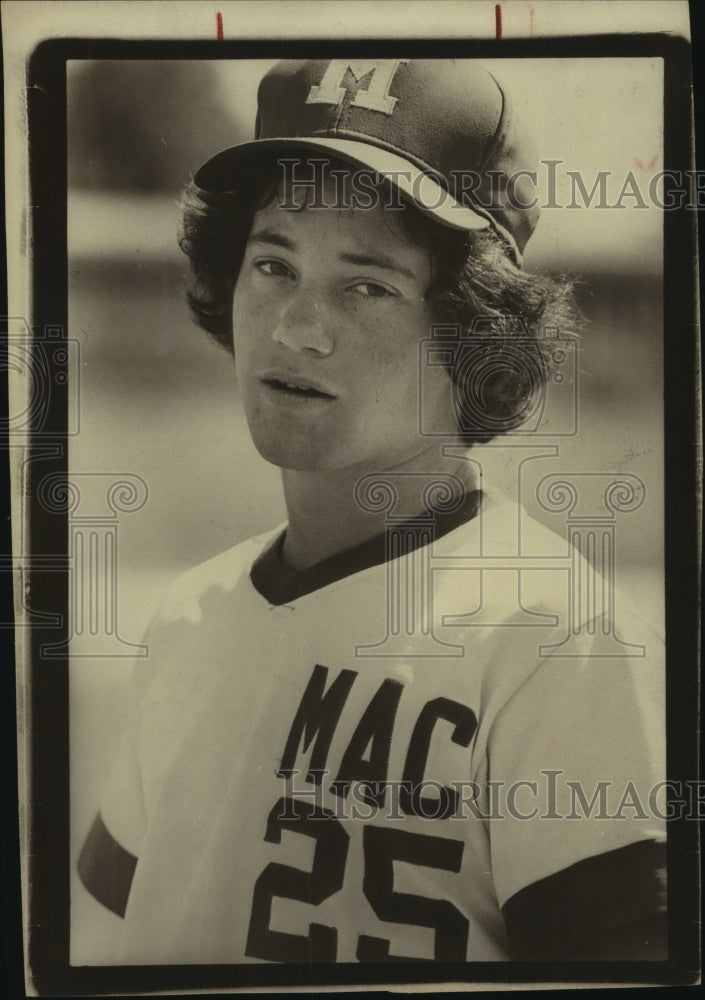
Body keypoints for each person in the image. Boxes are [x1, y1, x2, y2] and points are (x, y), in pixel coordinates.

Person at [78, 58, 666, 965]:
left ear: (474, 332)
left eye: (367, 286)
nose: (294, 328)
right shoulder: (192, 612)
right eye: (272, 264)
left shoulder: (553, 636)